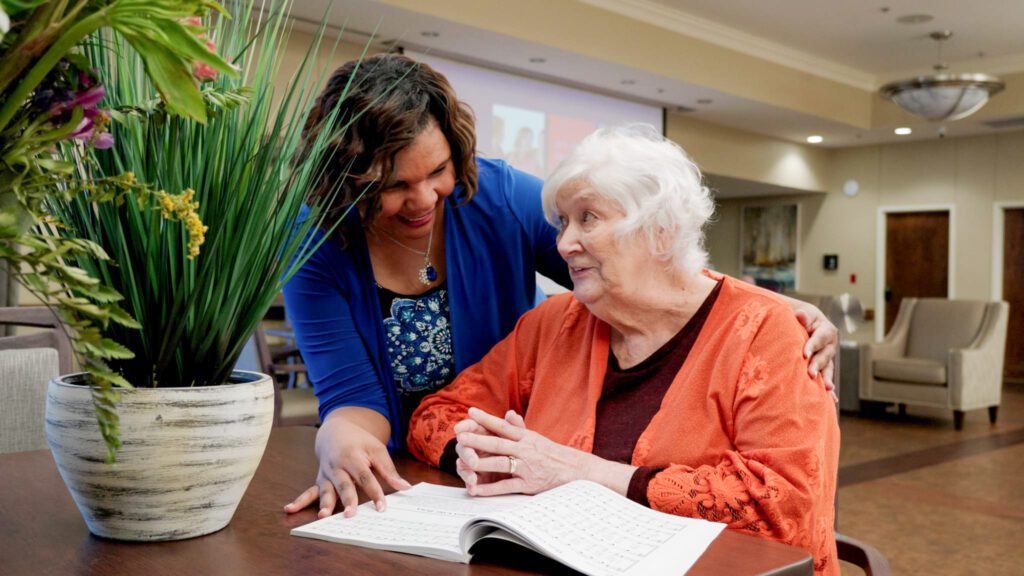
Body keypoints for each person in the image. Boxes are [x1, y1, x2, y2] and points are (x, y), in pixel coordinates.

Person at [282, 54, 838, 521]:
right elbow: (402, 407)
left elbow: (655, 273)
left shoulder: (497, 201)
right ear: (349, 183)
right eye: (396, 185)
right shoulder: (550, 326)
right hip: (433, 487)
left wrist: (770, 308)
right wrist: (349, 433)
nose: (426, 198)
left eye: (438, 172)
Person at [408, 125, 840, 574]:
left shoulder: (769, 333)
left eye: (587, 218)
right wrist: (492, 459)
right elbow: (434, 416)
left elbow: (784, 510)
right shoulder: (553, 324)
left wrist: (577, 471)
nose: (562, 243)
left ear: (660, 230)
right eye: (561, 222)